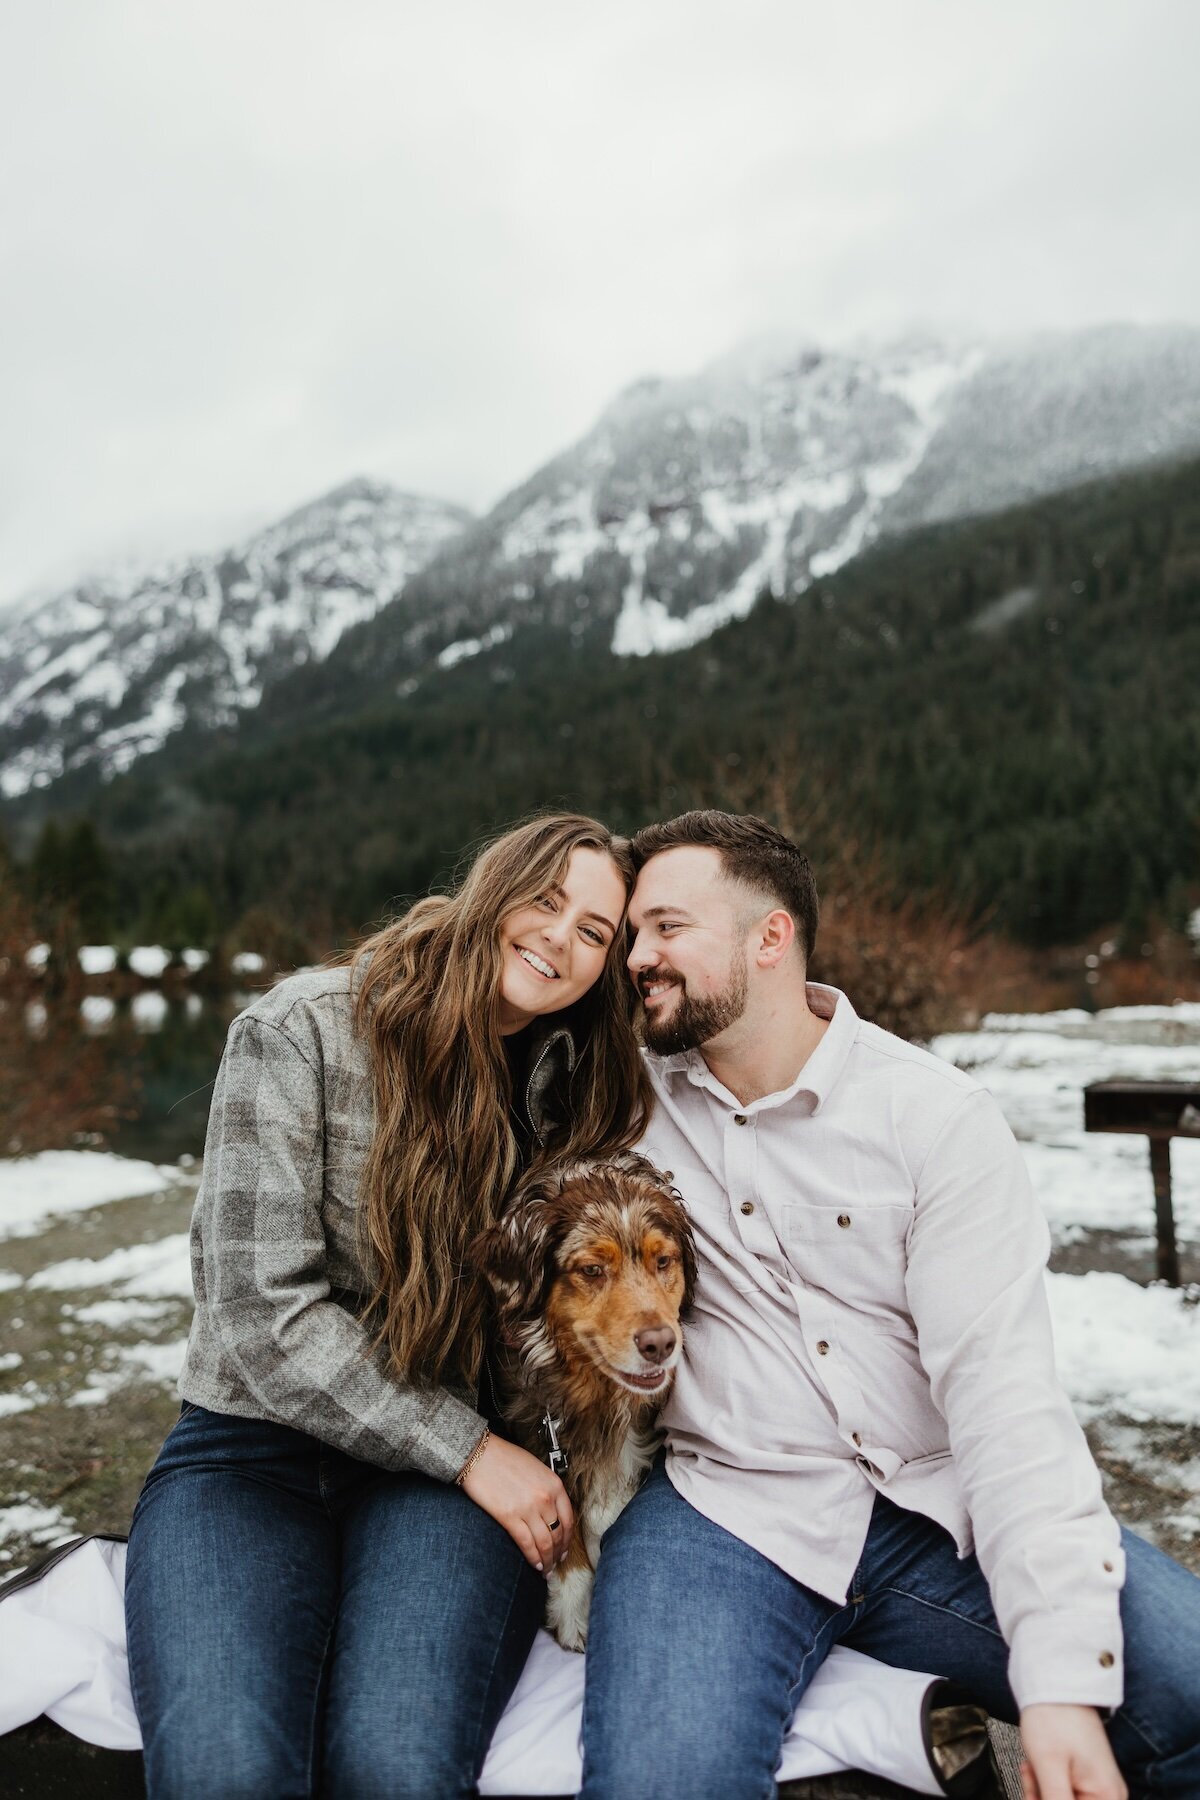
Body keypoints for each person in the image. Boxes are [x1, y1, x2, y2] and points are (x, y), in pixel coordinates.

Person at [580, 809, 1200, 1800]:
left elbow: (1007, 1404)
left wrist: (1058, 1687)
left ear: (770, 938)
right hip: (724, 1511)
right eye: (632, 936)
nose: (636, 958)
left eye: (667, 929)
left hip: (934, 1514)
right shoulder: (618, 1108)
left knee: (1190, 1688)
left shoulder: (935, 1119)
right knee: (662, 1780)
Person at [124, 813, 650, 1800]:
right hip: (253, 1454)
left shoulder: (569, 1093)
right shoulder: (302, 1030)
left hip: (438, 1492)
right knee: (222, 1771)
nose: (560, 939)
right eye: (546, 901)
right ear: (494, 890)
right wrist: (465, 1449)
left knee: (395, 1766)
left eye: (595, 934)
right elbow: (261, 1315)